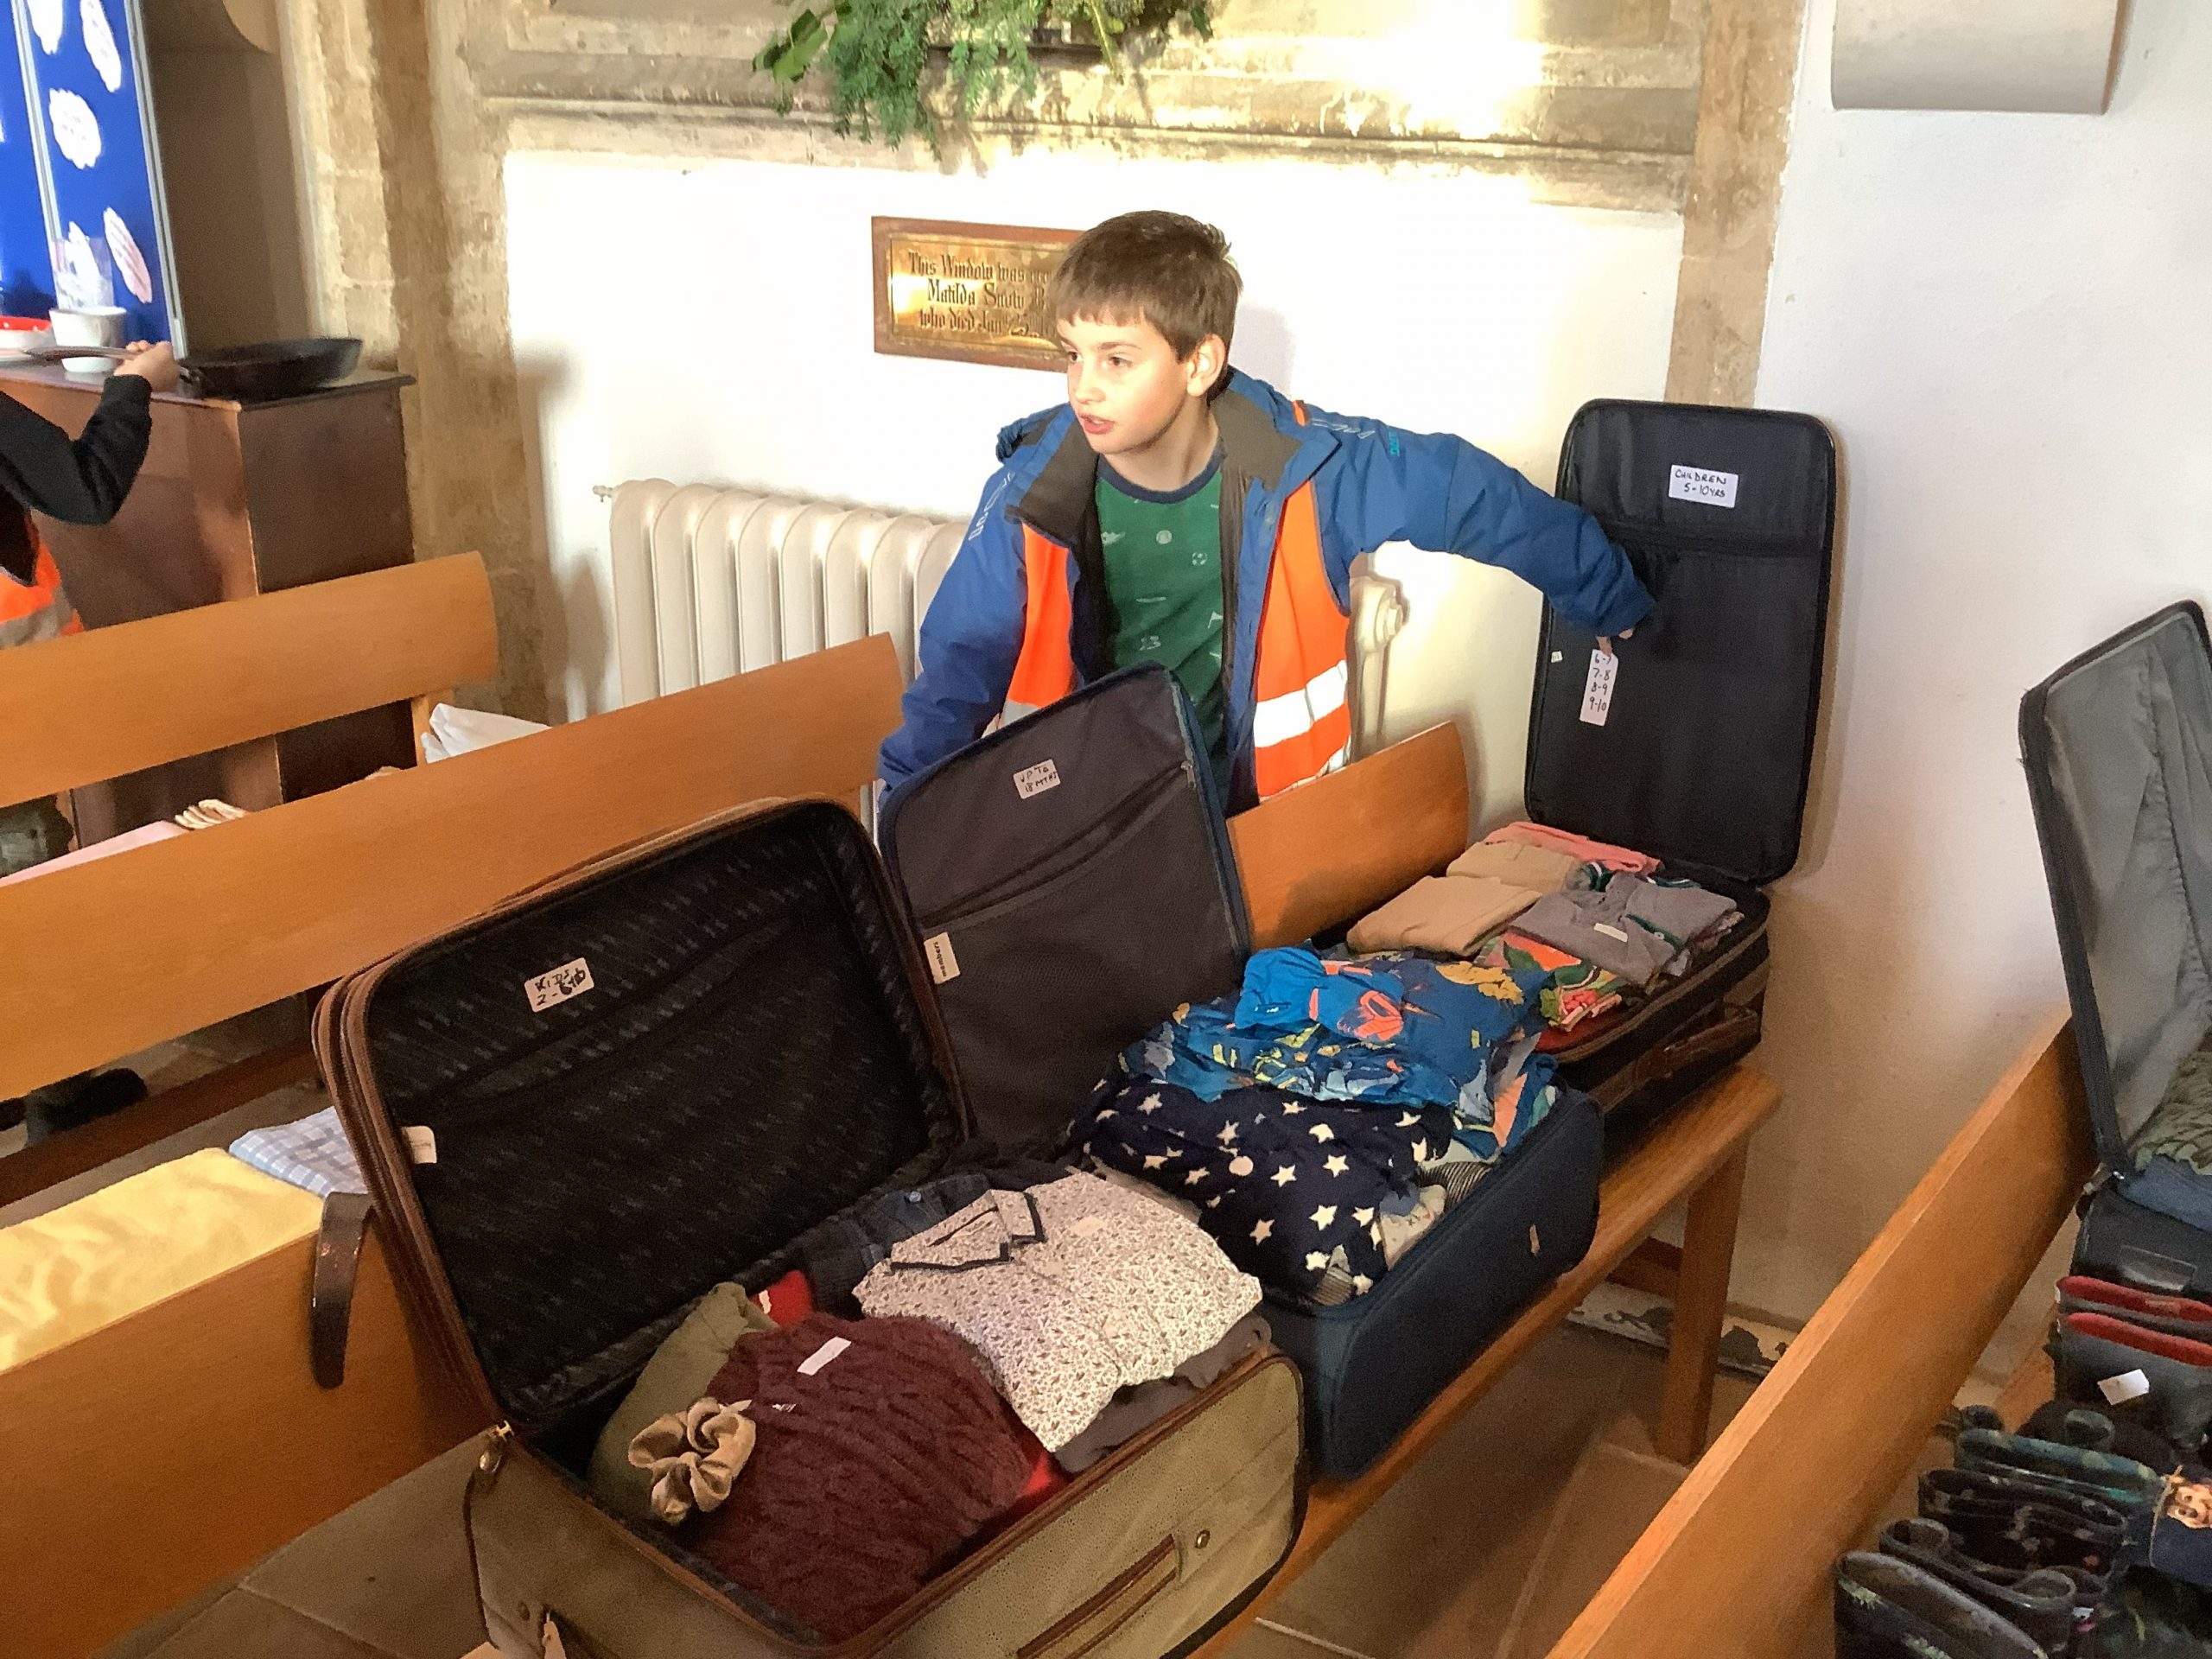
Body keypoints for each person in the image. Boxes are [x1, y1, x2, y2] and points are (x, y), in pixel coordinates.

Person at [877, 211, 1650, 810]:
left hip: (1265, 834)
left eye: (1117, 359)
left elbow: (1467, 492)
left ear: (1199, 362)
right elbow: (958, 667)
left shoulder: (1310, 468)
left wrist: (1606, 594)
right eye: (1072, 355)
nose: (1084, 387)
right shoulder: (1030, 492)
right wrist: (901, 828)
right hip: (1091, 830)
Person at [0, 338, 181, 1139]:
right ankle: (58, 1098)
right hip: (11, 719)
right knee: (31, 896)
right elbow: (86, 491)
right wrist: (133, 388)